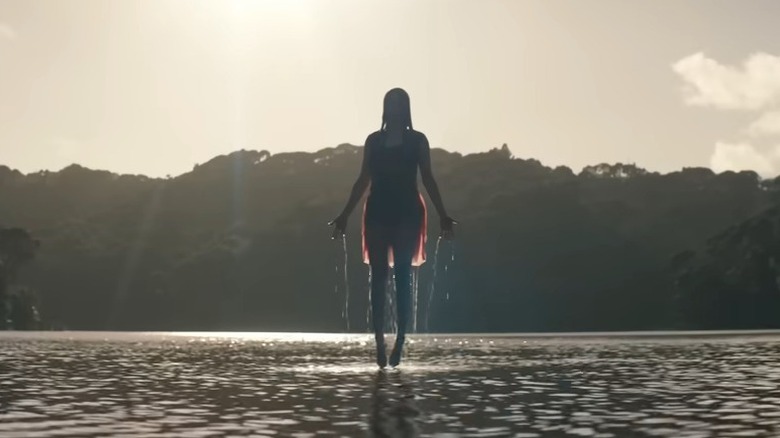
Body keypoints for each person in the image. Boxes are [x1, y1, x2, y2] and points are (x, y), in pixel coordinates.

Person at [329, 88, 456, 368]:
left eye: (401, 103)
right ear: (385, 108)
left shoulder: (417, 140)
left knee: (401, 276)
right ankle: (377, 341)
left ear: (407, 108)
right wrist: (344, 214)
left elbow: (429, 179)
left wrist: (443, 214)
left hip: (408, 212)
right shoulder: (374, 141)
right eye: (391, 103)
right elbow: (363, 179)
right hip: (377, 211)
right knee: (378, 278)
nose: (396, 108)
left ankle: (400, 340)